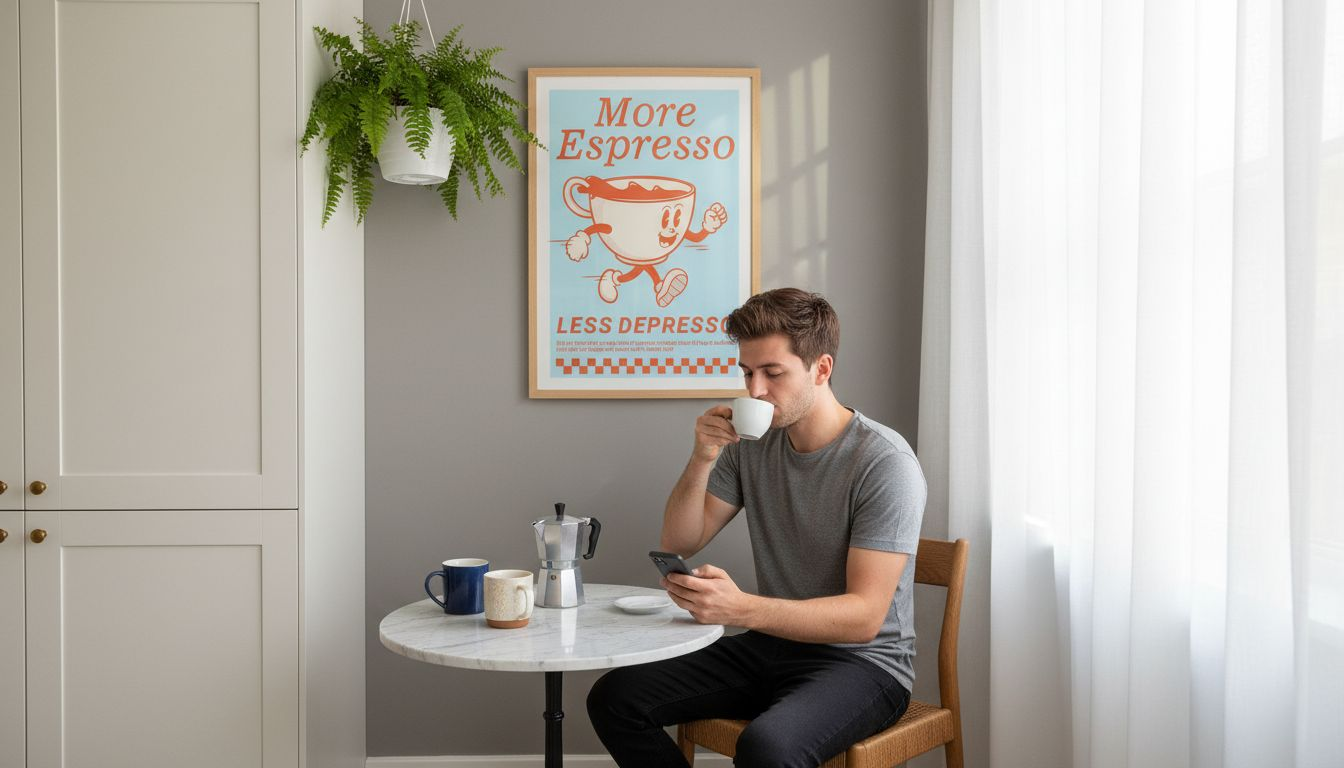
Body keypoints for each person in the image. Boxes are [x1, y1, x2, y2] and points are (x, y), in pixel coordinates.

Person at [587, 288, 927, 768]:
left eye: (773, 373)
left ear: (821, 369)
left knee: (767, 748)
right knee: (615, 696)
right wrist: (702, 458)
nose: (755, 391)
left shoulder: (883, 462)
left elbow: (864, 617)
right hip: (772, 645)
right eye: (748, 372)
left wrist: (741, 608)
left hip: (864, 664)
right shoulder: (752, 446)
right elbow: (679, 541)